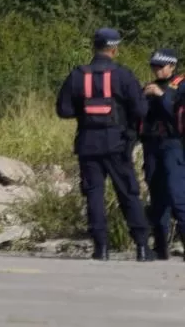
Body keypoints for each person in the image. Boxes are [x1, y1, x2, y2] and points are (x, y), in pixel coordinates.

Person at [55, 28, 153, 261]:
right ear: (114, 49)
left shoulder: (79, 74)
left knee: (94, 195)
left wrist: (85, 110)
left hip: (88, 143)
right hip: (118, 143)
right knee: (128, 193)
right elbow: (141, 110)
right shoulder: (123, 75)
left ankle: (101, 248)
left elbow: (63, 110)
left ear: (94, 47)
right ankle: (141, 247)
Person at [141, 48, 185, 260]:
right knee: (157, 198)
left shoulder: (181, 87)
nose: (156, 70)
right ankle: (160, 247)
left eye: (161, 66)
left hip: (174, 145)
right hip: (152, 146)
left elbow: (176, 115)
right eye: (154, 66)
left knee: (178, 196)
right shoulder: (149, 87)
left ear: (172, 66)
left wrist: (163, 96)